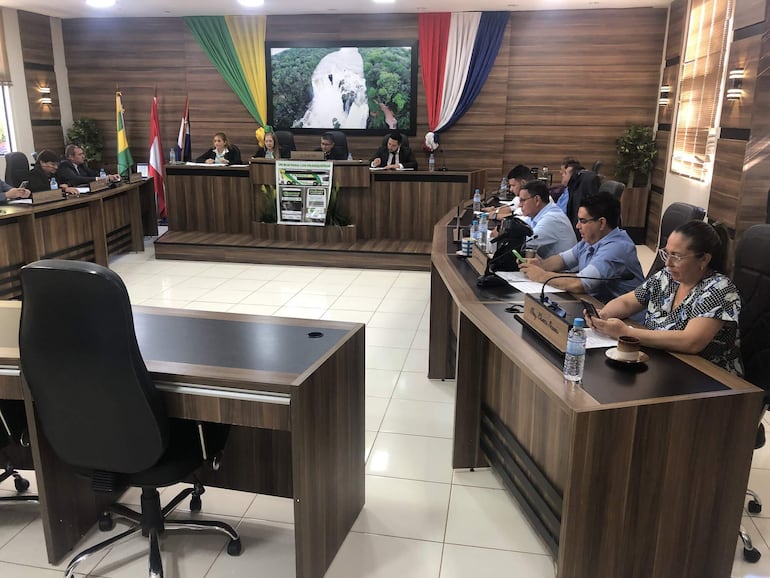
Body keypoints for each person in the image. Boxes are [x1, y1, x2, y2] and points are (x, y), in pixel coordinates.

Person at [588, 220, 742, 375]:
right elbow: (627, 302)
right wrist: (604, 315)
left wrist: (627, 333)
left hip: (706, 377)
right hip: (662, 364)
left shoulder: (719, 289)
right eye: (666, 253)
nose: (668, 263)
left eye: (676, 256)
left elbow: (691, 341)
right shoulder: (667, 277)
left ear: (704, 259)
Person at [519, 190, 644, 303]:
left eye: (583, 221)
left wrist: (542, 275)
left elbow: (580, 283)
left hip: (626, 320)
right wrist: (537, 266)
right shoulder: (591, 240)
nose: (577, 226)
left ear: (601, 223)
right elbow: (562, 260)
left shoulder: (617, 248)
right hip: (597, 307)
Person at [514, 179, 576, 259]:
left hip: (564, 271)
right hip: (551, 268)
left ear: (537, 200)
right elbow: (521, 223)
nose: (520, 205)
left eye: (523, 201)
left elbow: (526, 241)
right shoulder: (537, 214)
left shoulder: (552, 219)